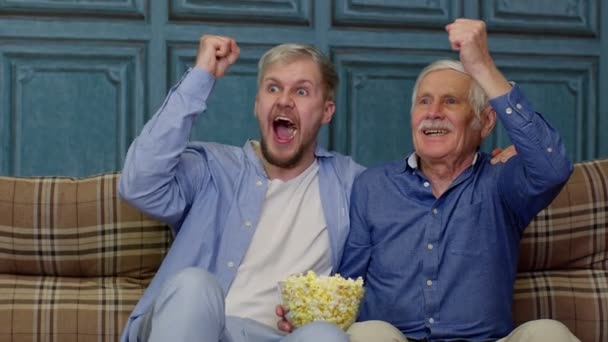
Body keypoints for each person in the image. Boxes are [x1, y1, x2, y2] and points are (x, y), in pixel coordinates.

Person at [338, 19, 580, 342]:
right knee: (366, 334)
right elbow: (346, 287)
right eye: (424, 101)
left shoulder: (501, 183)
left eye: (450, 101)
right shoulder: (372, 186)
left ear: (486, 121)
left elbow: (553, 167)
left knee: (550, 333)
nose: (433, 112)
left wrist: (482, 67)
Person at [117, 35, 365, 341]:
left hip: (282, 336)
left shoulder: (351, 183)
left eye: (301, 91)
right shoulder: (212, 167)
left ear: (327, 111)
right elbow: (139, 184)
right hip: (196, 328)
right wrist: (201, 76)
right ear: (258, 104)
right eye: (273, 88)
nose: (284, 100)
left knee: (326, 336)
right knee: (194, 286)